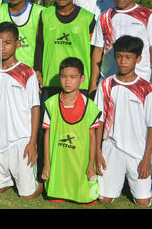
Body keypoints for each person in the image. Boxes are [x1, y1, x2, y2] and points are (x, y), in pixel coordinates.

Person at [89, 0, 152, 195]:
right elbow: (98, 52)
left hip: (139, 83)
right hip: (111, 83)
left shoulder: (147, 15)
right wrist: (94, 83)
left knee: (144, 127)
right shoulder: (104, 17)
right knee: (110, 129)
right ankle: (114, 173)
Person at [95, 35, 152, 207]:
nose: (123, 61)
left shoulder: (146, 88)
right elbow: (98, 122)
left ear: (138, 59)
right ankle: (114, 184)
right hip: (111, 150)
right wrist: (97, 152)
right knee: (104, 199)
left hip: (137, 153)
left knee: (143, 202)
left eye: (128, 57)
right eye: (119, 56)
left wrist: (146, 159)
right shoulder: (106, 85)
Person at [0, 22, 42, 199]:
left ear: (17, 44)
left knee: (27, 195)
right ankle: (10, 176)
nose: (2, 47)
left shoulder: (27, 72)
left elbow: (35, 108)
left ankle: (39, 183)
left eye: (7, 43)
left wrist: (32, 142)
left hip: (21, 141)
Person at [41, 57, 101, 205]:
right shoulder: (51, 104)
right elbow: (47, 135)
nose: (67, 81)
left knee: (85, 198)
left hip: (80, 163)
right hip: (59, 164)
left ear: (82, 79)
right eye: (63, 77)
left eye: (73, 77)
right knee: (55, 199)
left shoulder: (90, 106)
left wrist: (91, 165)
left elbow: (93, 138)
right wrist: (47, 164)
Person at [34, 0, 96, 100]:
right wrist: (38, 71)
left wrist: (93, 83)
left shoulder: (87, 18)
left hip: (79, 85)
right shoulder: (45, 15)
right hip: (50, 82)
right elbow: (39, 45)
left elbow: (95, 52)